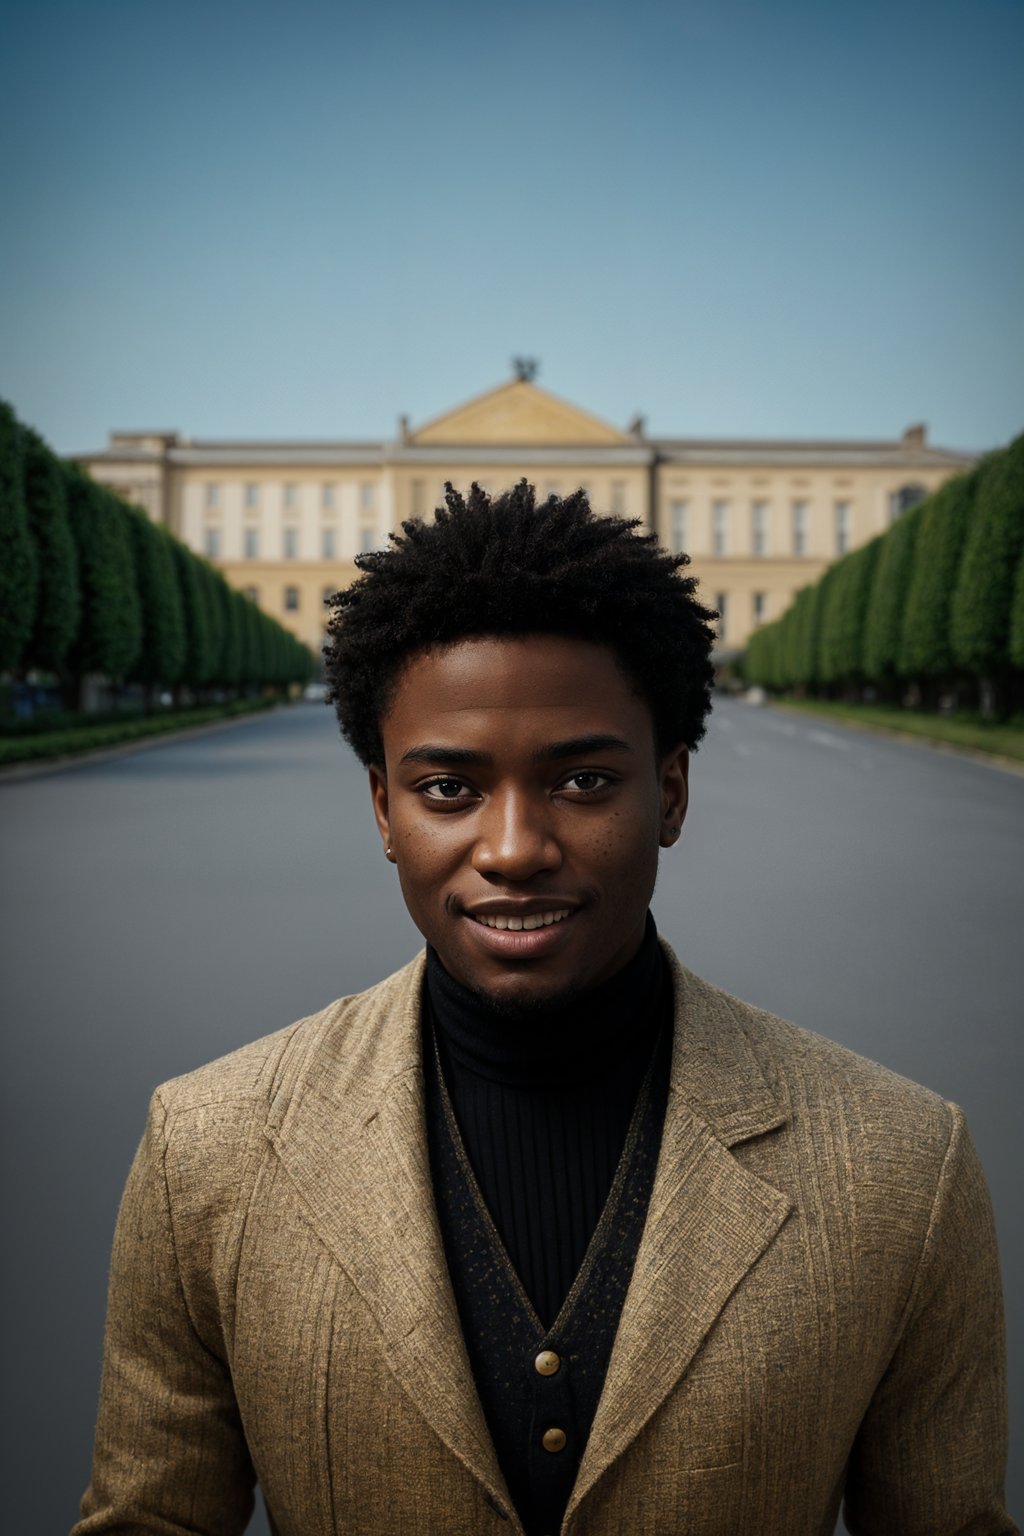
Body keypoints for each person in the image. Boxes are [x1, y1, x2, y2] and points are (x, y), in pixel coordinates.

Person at [75, 483, 1013, 1536]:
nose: (514, 849)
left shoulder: (902, 1167)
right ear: (382, 809)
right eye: (447, 790)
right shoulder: (204, 1155)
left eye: (581, 781)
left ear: (670, 792)